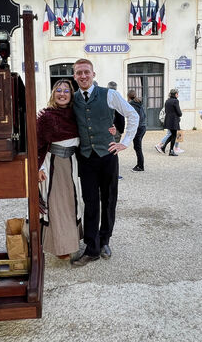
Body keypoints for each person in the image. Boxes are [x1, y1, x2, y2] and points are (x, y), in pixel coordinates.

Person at [70, 58, 139, 267]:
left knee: (109, 200)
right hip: (86, 158)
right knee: (90, 202)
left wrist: (124, 142)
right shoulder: (72, 99)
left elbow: (132, 114)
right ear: (74, 76)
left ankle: (105, 240)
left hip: (108, 156)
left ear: (93, 74)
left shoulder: (110, 94)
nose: (83, 76)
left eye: (86, 72)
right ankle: (91, 247)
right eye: (79, 73)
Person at [36, 80, 85, 259]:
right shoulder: (45, 116)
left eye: (66, 91)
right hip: (53, 164)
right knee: (56, 204)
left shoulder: (76, 114)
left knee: (72, 203)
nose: (62, 94)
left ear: (71, 95)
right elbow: (36, 143)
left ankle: (70, 242)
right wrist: (38, 167)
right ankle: (60, 246)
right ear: (53, 94)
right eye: (59, 90)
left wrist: (111, 130)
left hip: (73, 163)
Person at [127, 89, 147, 171]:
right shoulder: (139, 103)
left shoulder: (131, 105)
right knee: (138, 147)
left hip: (138, 128)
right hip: (143, 127)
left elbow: (133, 118)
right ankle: (140, 164)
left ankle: (140, 166)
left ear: (128, 96)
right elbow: (144, 116)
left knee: (138, 147)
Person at [160, 89, 182, 156]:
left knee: (172, 135)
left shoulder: (167, 101)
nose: (178, 95)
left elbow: (166, 111)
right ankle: (171, 151)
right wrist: (180, 114)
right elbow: (178, 111)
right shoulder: (175, 101)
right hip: (174, 120)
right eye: (177, 94)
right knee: (174, 135)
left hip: (168, 119)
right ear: (175, 94)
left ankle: (163, 147)